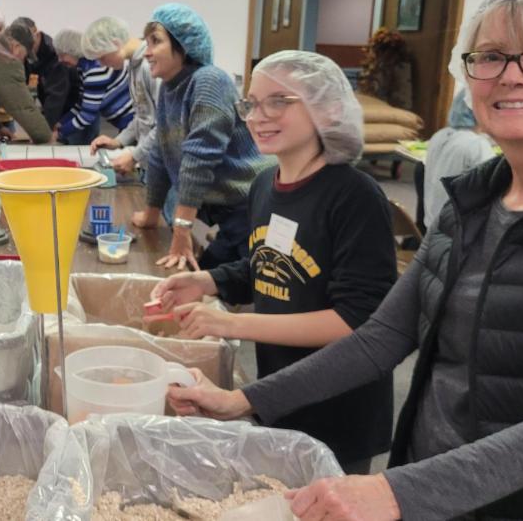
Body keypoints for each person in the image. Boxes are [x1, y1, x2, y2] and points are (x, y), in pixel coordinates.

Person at [165, 0, 523, 521]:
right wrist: (244, 400)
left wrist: (398, 492)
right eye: (491, 56)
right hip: (433, 484)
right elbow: (381, 338)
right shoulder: (469, 203)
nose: (511, 75)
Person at [150, 51, 395, 474]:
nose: (258, 116)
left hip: (339, 406)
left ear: (327, 107)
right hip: (279, 392)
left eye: (279, 101)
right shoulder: (265, 183)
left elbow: (356, 321)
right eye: (251, 103)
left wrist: (231, 324)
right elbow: (267, 264)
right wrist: (207, 282)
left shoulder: (354, 197)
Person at [131, 4, 271, 270]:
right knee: (203, 272)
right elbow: (160, 153)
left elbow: (199, 159)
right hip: (221, 208)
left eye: (156, 41)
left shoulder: (209, 81)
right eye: (146, 43)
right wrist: (151, 213)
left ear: (184, 46)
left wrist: (181, 230)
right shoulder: (169, 87)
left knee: (231, 279)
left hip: (251, 205)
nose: (147, 52)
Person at [84, 17, 158, 176]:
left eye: (102, 57)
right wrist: (118, 141)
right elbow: (142, 116)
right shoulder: (133, 65)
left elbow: (164, 124)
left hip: (163, 165)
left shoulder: (150, 66)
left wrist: (134, 156)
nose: (101, 64)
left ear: (115, 43)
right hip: (150, 163)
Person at [54, 17, 136, 147]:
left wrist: (59, 133)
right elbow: (82, 104)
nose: (60, 60)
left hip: (132, 123)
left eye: (62, 55)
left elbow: (87, 116)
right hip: (130, 124)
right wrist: (60, 123)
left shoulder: (95, 70)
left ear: (72, 51)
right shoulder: (84, 67)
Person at [423, 91, 495, 229]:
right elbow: (495, 188)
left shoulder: (439, 136)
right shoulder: (476, 145)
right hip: (460, 231)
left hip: (432, 226)